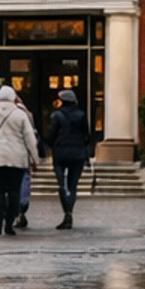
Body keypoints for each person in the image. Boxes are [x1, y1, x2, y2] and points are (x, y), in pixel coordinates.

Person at [0, 81, 39, 236]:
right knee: (14, 191)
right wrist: (35, 159)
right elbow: (30, 139)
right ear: (13, 98)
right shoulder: (20, 114)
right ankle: (10, 222)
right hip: (16, 158)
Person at [45, 84, 92, 227]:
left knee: (61, 184)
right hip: (77, 154)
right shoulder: (82, 115)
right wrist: (86, 152)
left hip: (60, 154)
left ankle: (66, 211)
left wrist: (49, 145)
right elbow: (87, 136)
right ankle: (69, 211)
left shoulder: (56, 115)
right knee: (73, 185)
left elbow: (51, 135)